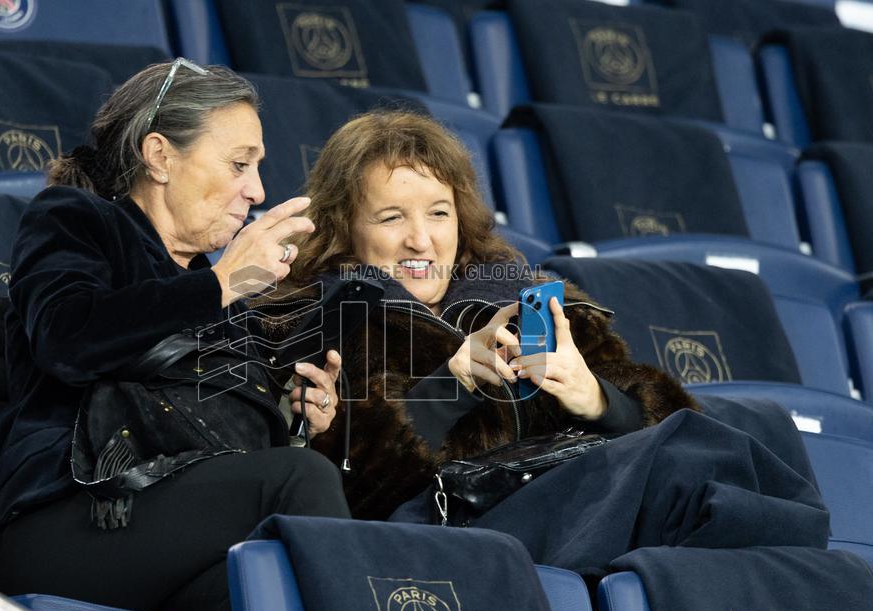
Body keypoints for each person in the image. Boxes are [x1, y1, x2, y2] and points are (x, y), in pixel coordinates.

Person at [0, 60, 350, 611]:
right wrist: (221, 286)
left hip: (173, 538)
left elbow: (218, 450)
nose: (257, 190)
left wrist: (301, 419)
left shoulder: (213, 285)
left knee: (265, 588)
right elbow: (66, 339)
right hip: (68, 518)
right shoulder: (76, 219)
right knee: (297, 484)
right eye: (239, 164)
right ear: (159, 156)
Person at [268, 110, 699, 520]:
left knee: (715, 460)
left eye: (439, 212)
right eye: (391, 217)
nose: (420, 240)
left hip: (591, 512)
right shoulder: (317, 328)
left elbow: (673, 436)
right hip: (463, 542)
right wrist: (450, 388)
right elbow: (340, 498)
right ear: (344, 228)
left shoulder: (534, 300)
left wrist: (600, 401)